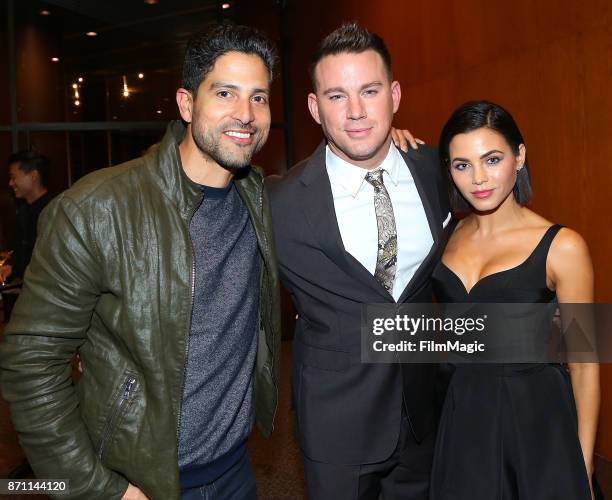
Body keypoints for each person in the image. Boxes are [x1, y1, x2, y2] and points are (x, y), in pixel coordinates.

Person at [0, 24, 281, 500]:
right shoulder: (97, 208)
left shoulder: (260, 199)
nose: (245, 113)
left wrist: (392, 149)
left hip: (236, 472)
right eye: (226, 93)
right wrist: (100, 490)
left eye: (259, 97)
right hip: (139, 484)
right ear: (187, 104)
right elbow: (31, 365)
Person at [267, 23, 451, 499]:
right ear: (314, 107)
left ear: (393, 95)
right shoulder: (278, 203)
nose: (355, 113)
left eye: (369, 92)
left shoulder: (438, 172)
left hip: (423, 418)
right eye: (336, 96)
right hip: (336, 427)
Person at [429, 100, 599, 499]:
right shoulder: (447, 236)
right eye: (462, 164)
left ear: (519, 156)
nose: (478, 178)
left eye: (492, 159)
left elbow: (585, 365)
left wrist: (582, 467)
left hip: (536, 420)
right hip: (463, 415)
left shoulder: (564, 246)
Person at [0, 151, 51, 283]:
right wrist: (11, 266)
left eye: (13, 177)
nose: (11, 183)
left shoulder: (51, 211)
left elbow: (46, 261)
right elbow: (21, 250)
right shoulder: (24, 211)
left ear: (33, 176)